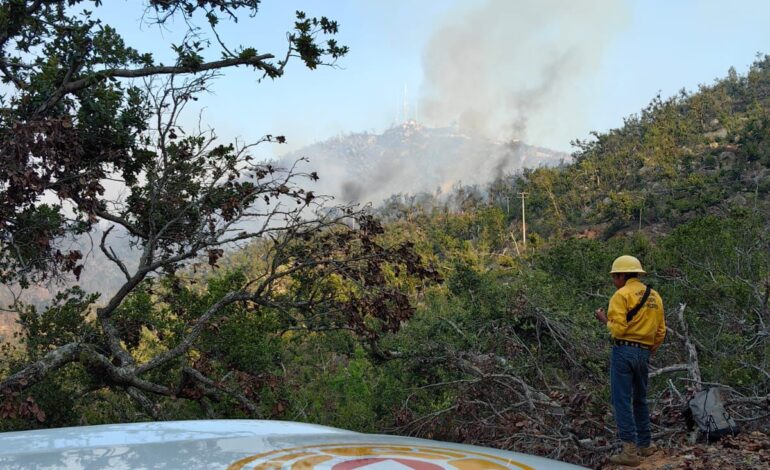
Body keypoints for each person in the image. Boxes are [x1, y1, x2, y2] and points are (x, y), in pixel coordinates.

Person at [594, 255, 666, 467]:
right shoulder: (654, 296)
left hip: (624, 351)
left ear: (622, 275)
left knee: (621, 400)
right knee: (640, 399)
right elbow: (661, 331)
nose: (613, 280)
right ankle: (645, 445)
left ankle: (629, 451)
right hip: (644, 352)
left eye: (614, 276)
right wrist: (649, 350)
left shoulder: (621, 295)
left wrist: (604, 320)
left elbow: (618, 329)